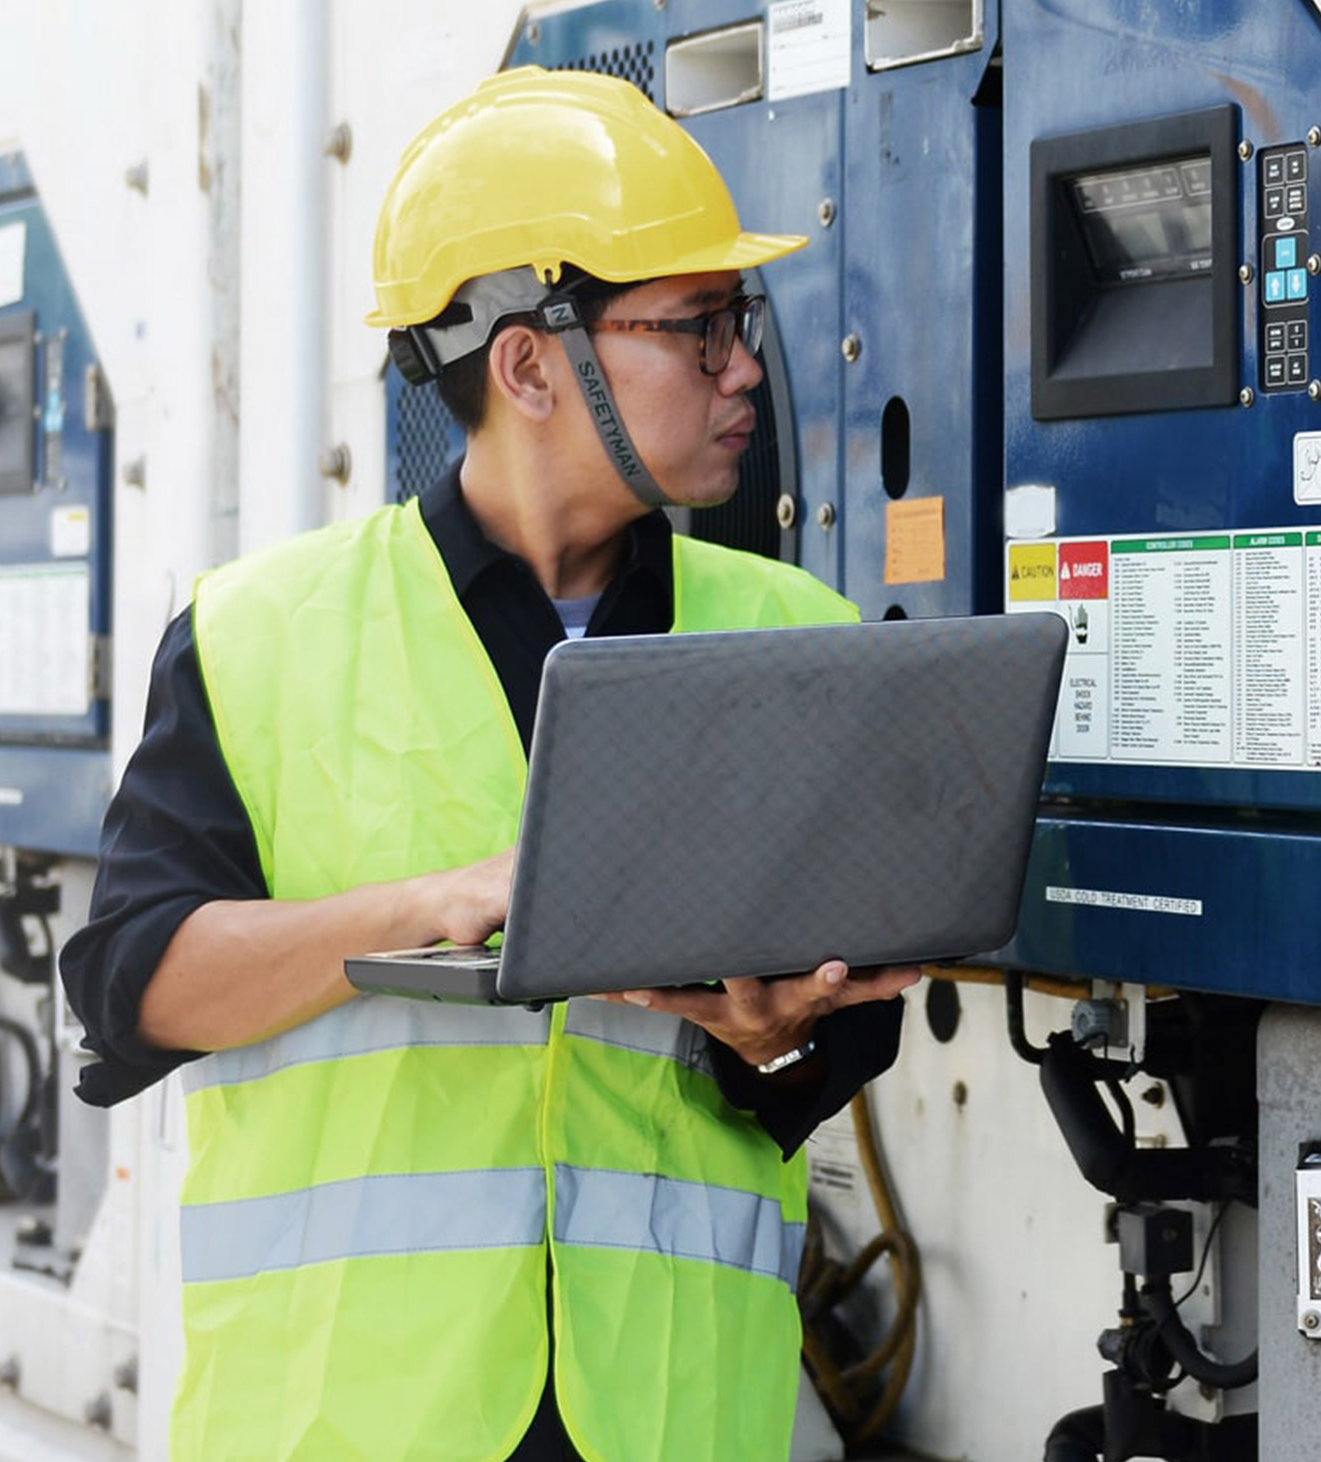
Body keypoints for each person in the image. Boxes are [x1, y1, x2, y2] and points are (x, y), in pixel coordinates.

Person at [59, 66, 920, 1462]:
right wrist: (421, 905)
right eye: (696, 328)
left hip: (672, 1421)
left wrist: (785, 1037)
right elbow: (131, 984)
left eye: (736, 321)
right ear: (527, 362)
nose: (743, 367)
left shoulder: (794, 641)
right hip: (348, 1425)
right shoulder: (257, 635)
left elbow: (836, 1033)